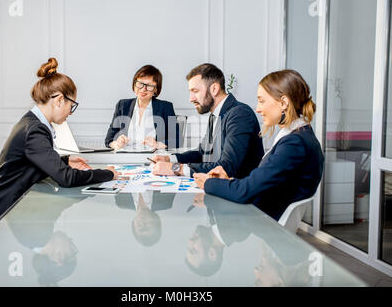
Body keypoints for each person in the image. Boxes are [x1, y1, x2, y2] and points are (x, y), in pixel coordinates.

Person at [0, 58, 119, 238]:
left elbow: (34, 162)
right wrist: (108, 173)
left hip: (9, 213)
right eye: (71, 106)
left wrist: (65, 159)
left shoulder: (32, 123)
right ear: (58, 100)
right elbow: (66, 178)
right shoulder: (35, 129)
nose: (70, 112)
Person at [194, 69, 324, 220]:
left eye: (262, 101)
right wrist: (229, 181)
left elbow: (245, 192)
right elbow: (261, 185)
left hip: (261, 224)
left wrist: (209, 183)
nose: (258, 109)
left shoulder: (294, 144)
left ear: (283, 103)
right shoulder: (300, 136)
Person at [151, 63, 264, 178]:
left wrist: (175, 168)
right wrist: (169, 158)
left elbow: (227, 167)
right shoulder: (215, 114)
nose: (191, 99)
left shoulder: (239, 114)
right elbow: (202, 152)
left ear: (214, 89)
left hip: (237, 192)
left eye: (195, 91)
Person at [105, 65, 179, 150]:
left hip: (154, 158)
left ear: (156, 89)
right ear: (134, 84)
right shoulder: (122, 105)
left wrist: (157, 144)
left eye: (149, 86)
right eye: (140, 84)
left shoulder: (166, 107)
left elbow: (177, 140)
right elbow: (109, 140)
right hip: (125, 157)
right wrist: (116, 144)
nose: (143, 89)